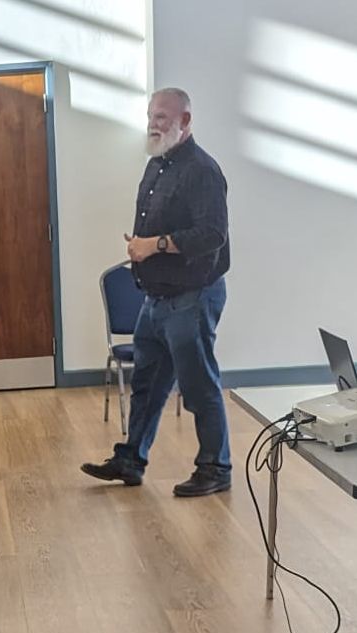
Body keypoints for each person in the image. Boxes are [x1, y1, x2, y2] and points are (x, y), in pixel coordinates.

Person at [82, 88, 231, 497]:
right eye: (151, 115)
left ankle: (216, 468)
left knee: (198, 386)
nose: (153, 123)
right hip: (156, 299)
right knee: (146, 385)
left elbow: (212, 235)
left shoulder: (203, 171)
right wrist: (140, 246)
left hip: (192, 298)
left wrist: (155, 245)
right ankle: (131, 460)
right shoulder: (156, 165)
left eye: (162, 117)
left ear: (186, 121)